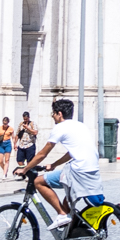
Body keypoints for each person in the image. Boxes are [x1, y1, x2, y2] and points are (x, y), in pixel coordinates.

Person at [25, 97, 102, 230]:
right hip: (92, 168)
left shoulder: (60, 128)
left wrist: (25, 169)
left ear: (59, 114)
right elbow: (72, 152)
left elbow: (43, 154)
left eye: (53, 114)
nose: (53, 117)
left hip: (78, 170)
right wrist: (54, 164)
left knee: (38, 182)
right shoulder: (81, 125)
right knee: (69, 196)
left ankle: (61, 214)